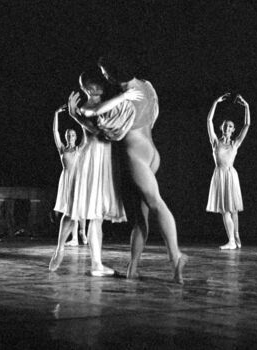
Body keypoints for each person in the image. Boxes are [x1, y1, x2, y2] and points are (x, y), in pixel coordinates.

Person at [68, 55, 188, 284]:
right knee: (141, 216)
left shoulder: (121, 104)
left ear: (112, 75)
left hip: (136, 157)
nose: (103, 76)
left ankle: (176, 255)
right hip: (152, 152)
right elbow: (153, 114)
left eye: (104, 73)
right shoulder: (148, 87)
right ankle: (133, 268)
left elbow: (104, 131)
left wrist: (78, 117)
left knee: (155, 204)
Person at [49, 72, 142, 276]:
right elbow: (95, 123)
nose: (98, 88)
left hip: (104, 162)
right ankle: (60, 248)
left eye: (99, 84)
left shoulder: (105, 104)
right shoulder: (86, 107)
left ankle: (97, 264)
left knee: (96, 215)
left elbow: (109, 122)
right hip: (89, 160)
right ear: (87, 89)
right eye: (93, 86)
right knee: (75, 209)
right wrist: (123, 97)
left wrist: (124, 104)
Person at [206, 93, 250, 249]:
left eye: (231, 126)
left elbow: (246, 126)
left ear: (233, 130)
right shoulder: (215, 142)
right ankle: (232, 240)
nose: (228, 127)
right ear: (222, 127)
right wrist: (215, 102)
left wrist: (247, 106)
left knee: (233, 210)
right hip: (220, 175)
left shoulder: (235, 144)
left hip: (231, 175)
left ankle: (235, 239)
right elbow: (209, 120)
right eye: (225, 125)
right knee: (225, 209)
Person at [53, 105, 87, 246]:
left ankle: (82, 232)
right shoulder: (62, 148)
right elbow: (55, 131)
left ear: (75, 137)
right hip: (66, 179)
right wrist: (56, 114)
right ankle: (74, 238)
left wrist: (80, 118)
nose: (70, 137)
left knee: (79, 207)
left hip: (77, 179)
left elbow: (86, 135)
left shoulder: (79, 148)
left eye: (72, 135)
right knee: (70, 208)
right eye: (68, 135)